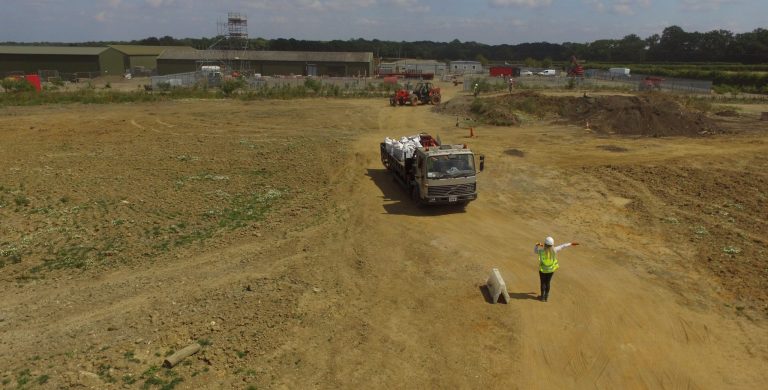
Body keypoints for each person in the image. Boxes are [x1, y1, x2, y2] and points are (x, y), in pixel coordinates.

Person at [534, 236, 579, 302]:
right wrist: (571, 243)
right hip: (551, 270)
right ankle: (546, 297)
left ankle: (542, 297)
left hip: (543, 270)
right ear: (552, 244)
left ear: (545, 244)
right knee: (548, 282)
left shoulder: (541, 251)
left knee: (543, 283)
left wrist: (536, 245)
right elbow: (563, 246)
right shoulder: (555, 250)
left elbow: (535, 251)